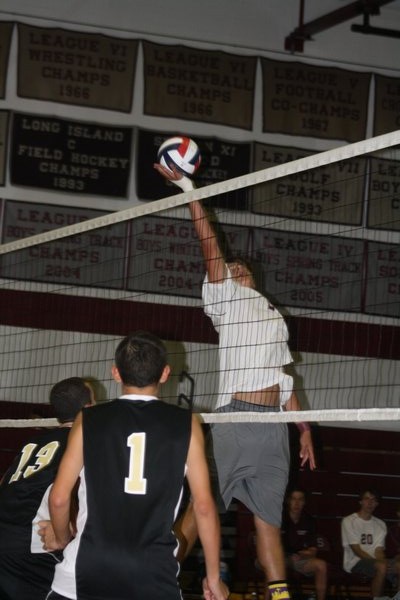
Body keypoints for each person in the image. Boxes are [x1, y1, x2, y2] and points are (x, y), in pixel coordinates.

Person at [154, 162, 316, 600]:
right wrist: (189, 189)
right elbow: (210, 246)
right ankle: (152, 578)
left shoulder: (273, 316)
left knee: (270, 523)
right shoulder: (225, 298)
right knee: (199, 510)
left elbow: (285, 382)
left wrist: (303, 430)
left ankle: (279, 595)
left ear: (255, 278)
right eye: (231, 267)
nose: (235, 269)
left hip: (274, 430)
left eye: (242, 268)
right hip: (235, 420)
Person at [40, 331, 229, 600]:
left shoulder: (87, 420)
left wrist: (60, 539)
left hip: (85, 571)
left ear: (116, 373)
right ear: (165, 373)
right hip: (153, 575)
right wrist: (213, 578)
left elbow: (59, 499)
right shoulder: (188, 424)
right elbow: (204, 507)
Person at [0, 377, 94, 600]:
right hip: (31, 546)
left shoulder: (33, 441)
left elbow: (5, 483)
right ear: (89, 408)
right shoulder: (84, 442)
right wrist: (63, 529)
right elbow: (61, 495)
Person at [341, 489, 400, 600]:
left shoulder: (380, 524)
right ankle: (376, 598)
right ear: (361, 502)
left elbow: (378, 550)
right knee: (381, 566)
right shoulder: (349, 521)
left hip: (375, 561)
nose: (370, 502)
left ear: (377, 504)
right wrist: (379, 563)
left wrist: (382, 561)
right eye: (367, 498)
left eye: (373, 500)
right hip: (355, 561)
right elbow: (356, 550)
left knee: (398, 565)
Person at [281, 487, 327, 600]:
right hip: (279, 557)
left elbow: (313, 551)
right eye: (293, 499)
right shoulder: (278, 517)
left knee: (321, 565)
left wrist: (302, 555)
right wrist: (289, 556)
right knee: (276, 566)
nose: (296, 503)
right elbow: (270, 547)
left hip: (300, 558)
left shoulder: (309, 521)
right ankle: (277, 598)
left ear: (304, 502)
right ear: (288, 501)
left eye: (300, 499)